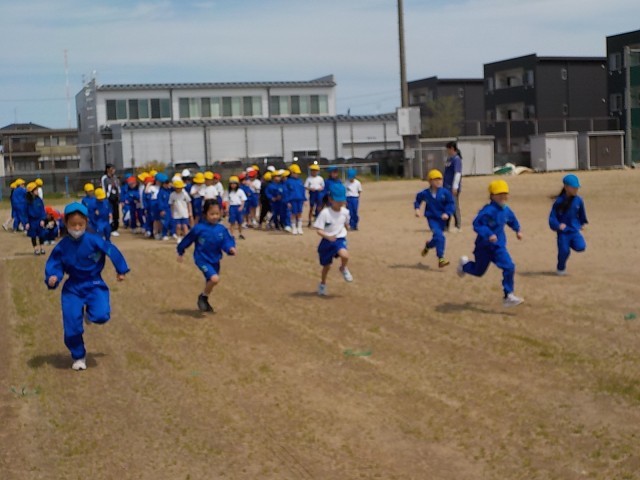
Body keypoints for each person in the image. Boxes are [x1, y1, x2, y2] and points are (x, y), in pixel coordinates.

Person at [45, 202, 129, 371]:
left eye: (80, 224)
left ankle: (89, 315)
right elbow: (55, 264)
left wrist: (121, 269)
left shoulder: (94, 240)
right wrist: (53, 277)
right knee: (71, 325)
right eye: (73, 225)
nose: (77, 228)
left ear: (86, 223)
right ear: (66, 223)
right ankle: (78, 356)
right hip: (73, 288)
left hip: (94, 283)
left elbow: (111, 250)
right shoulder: (62, 246)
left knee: (102, 315)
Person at [457, 179, 524, 307]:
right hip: (483, 247)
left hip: (498, 247)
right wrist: (489, 234)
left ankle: (508, 295)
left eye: (505, 194)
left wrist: (518, 230)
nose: (503, 197)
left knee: (509, 266)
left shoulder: (506, 210)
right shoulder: (488, 211)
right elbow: (477, 224)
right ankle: (464, 266)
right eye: (499, 194)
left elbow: (512, 220)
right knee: (478, 271)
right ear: (492, 196)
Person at [177, 199, 237, 313]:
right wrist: (180, 251)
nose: (215, 217)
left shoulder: (221, 229)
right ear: (205, 214)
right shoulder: (199, 229)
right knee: (214, 279)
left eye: (217, 214)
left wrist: (230, 248)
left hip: (215, 259)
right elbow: (187, 240)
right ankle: (203, 297)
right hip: (202, 259)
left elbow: (227, 241)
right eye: (212, 214)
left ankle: (205, 300)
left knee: (210, 281)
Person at [313, 182, 353, 296]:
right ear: (330, 199)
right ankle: (322, 284)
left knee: (345, 255)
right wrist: (328, 236)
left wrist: (347, 227)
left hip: (339, 239)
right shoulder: (325, 213)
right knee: (327, 267)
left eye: (342, 201)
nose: (340, 203)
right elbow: (318, 230)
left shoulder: (345, 212)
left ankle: (343, 268)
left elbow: (346, 222)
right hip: (327, 241)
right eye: (338, 201)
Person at [414, 169, 455, 268]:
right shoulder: (425, 193)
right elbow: (418, 199)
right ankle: (441, 259)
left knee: (437, 238)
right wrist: (417, 209)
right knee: (440, 237)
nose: (438, 181)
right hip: (432, 219)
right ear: (430, 181)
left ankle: (428, 245)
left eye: (440, 179)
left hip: (442, 219)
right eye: (436, 179)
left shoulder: (445, 192)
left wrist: (447, 213)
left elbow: (451, 204)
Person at [549, 174, 588, 276]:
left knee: (581, 246)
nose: (576, 190)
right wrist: (558, 225)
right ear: (566, 187)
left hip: (574, 230)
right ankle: (560, 268)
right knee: (564, 251)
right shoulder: (559, 201)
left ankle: (569, 243)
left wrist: (582, 223)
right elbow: (552, 218)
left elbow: (581, 213)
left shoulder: (579, 200)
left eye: (577, 188)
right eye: (574, 187)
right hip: (563, 233)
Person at [443, 141, 463, 231]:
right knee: (446, 206)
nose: (447, 151)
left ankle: (458, 225)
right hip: (446, 186)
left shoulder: (456, 159)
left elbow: (457, 173)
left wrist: (455, 186)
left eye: (448, 149)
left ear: (452, 148)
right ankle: (446, 226)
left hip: (452, 187)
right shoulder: (449, 159)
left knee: (454, 206)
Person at [25, 182, 47, 255]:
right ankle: (36, 249)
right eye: (35, 190)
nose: (37, 191)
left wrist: (43, 219)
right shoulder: (27, 201)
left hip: (39, 220)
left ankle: (42, 248)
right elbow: (25, 213)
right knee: (33, 235)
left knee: (41, 235)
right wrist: (26, 222)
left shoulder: (39, 200)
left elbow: (42, 210)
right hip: (31, 221)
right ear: (31, 191)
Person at [285, 163, 307, 235]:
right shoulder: (288, 181)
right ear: (291, 173)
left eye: (298, 173)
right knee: (293, 214)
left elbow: (303, 190)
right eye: (295, 173)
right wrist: (287, 201)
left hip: (300, 199)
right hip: (292, 200)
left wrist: (305, 199)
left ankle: (299, 228)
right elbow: (286, 192)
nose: (297, 174)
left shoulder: (300, 181)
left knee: (299, 213)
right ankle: (294, 227)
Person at [169, 178, 193, 243]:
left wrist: (190, 212)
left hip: (184, 213)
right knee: (178, 226)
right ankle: (179, 237)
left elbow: (189, 203)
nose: (179, 189)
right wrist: (172, 213)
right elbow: (171, 204)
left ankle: (187, 238)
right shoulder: (172, 195)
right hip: (176, 213)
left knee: (185, 226)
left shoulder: (185, 194)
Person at [101, 163, 121, 236]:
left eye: (114, 169)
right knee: (109, 213)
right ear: (107, 169)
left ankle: (115, 227)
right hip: (108, 198)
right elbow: (104, 188)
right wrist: (104, 197)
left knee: (116, 213)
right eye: (111, 169)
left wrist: (119, 196)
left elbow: (118, 187)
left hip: (115, 198)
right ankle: (110, 228)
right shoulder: (104, 178)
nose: (113, 170)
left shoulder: (115, 178)